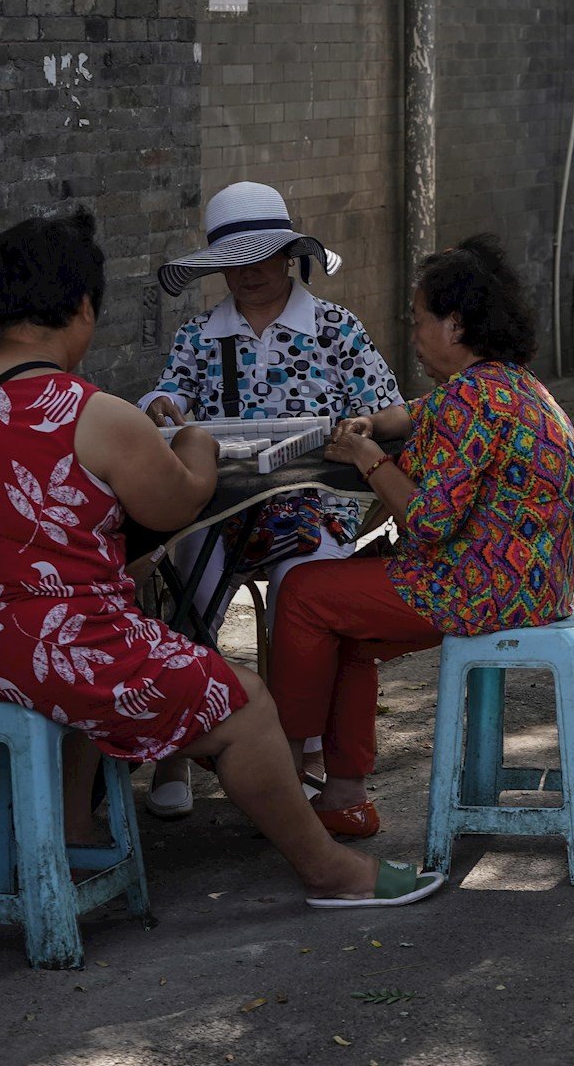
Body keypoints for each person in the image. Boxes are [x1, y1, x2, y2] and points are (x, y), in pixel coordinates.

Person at [0, 208, 441, 909]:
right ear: (84, 308)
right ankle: (330, 871)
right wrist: (197, 448)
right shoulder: (94, 412)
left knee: (120, 605)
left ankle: (78, 824)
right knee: (244, 701)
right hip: (39, 656)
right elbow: (177, 505)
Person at [270, 236, 574, 840]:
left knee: (307, 591)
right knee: (349, 621)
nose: (413, 334)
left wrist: (365, 456)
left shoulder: (474, 398)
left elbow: (429, 522)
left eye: (419, 322)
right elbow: (415, 412)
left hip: (479, 587)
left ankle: (283, 772)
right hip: (537, 585)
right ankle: (343, 797)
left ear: (456, 324)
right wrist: (374, 423)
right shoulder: (513, 385)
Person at [135, 182, 405, 818]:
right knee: (191, 585)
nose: (248, 275)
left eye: (261, 258)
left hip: (313, 503)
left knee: (302, 586)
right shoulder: (202, 333)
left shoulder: (336, 329)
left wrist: (361, 429)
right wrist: (162, 408)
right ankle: (178, 747)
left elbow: (389, 409)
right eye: (234, 263)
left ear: (288, 256)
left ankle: (297, 744)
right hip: (218, 503)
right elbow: (164, 397)